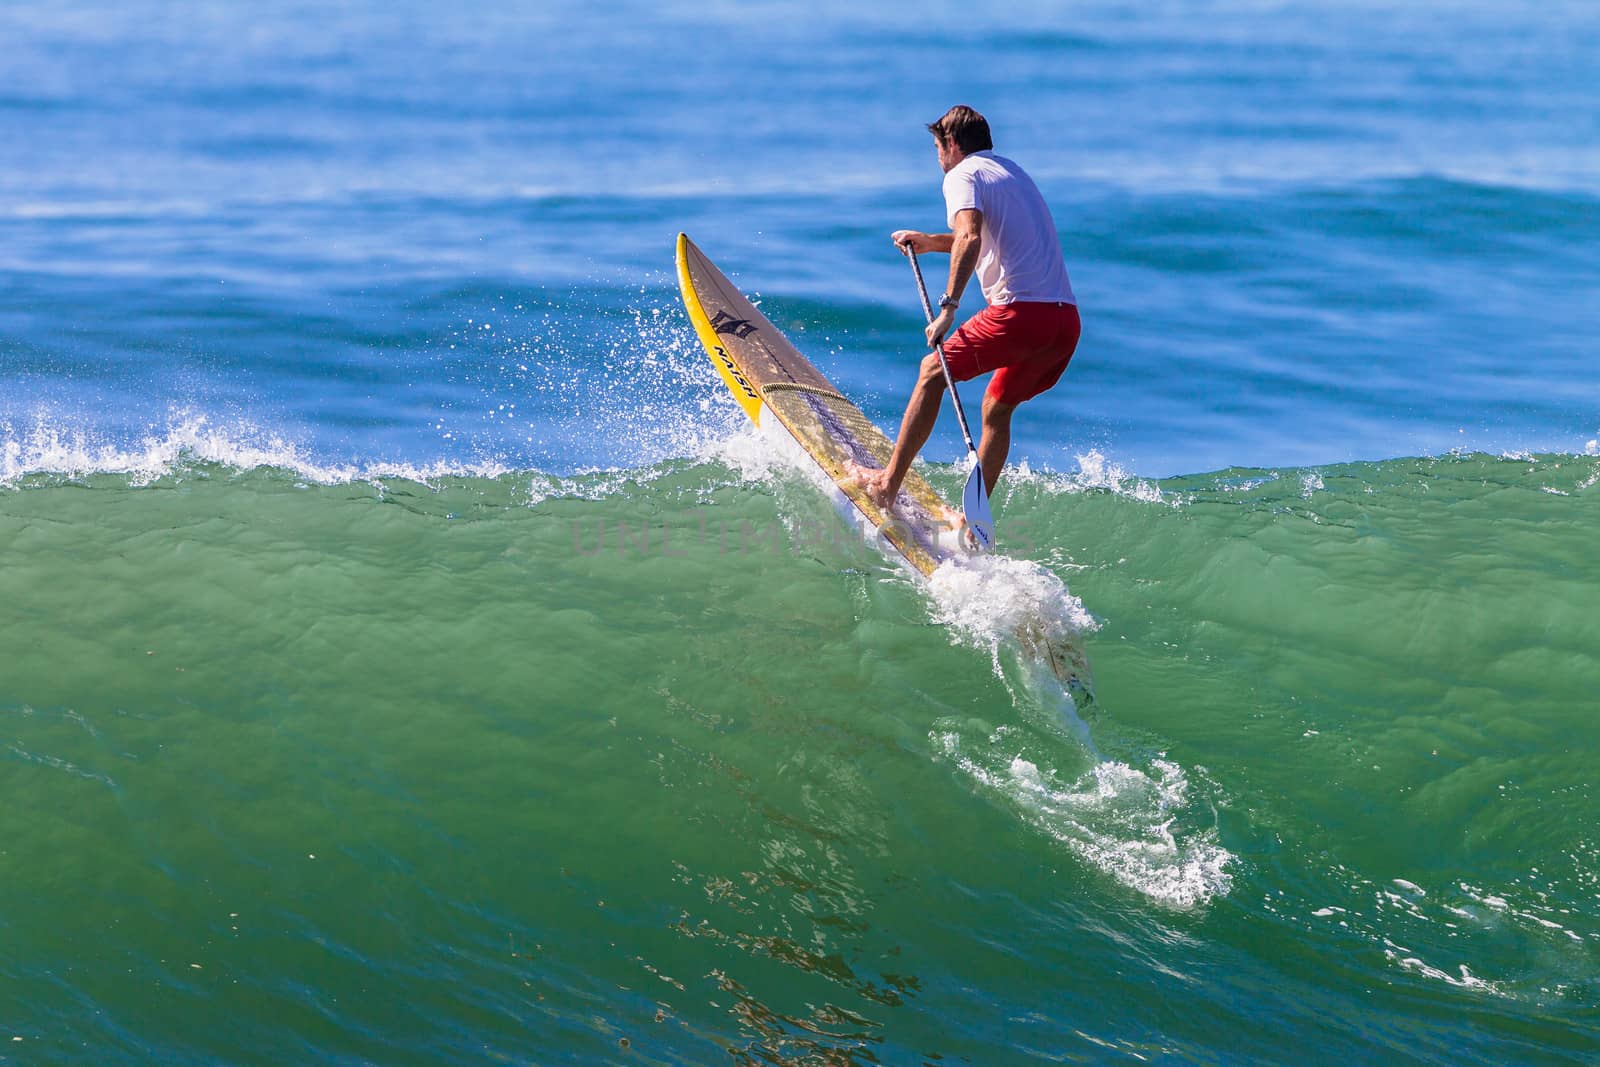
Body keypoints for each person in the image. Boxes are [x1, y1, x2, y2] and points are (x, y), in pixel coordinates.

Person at [854, 105, 1081, 520]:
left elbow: (971, 236)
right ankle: (972, 519)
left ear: (952, 145)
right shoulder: (1011, 172)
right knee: (996, 409)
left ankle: (886, 486)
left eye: (937, 147)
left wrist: (948, 307)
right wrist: (930, 241)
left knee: (930, 373)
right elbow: (983, 236)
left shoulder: (962, 175)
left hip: (1020, 315)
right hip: (1064, 323)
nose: (937, 158)